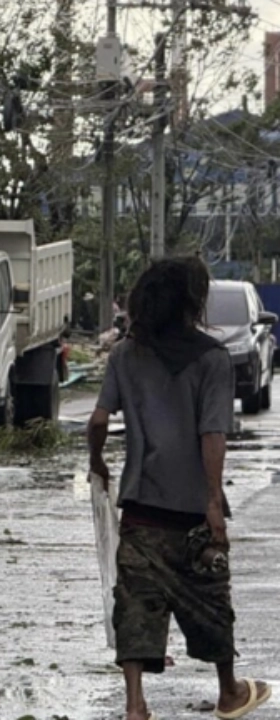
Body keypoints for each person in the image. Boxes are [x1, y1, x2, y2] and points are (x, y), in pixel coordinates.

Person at [87, 258, 271, 720]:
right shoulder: (212, 358)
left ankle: (135, 704)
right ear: (192, 300)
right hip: (190, 510)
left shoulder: (126, 355)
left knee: (134, 604)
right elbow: (213, 433)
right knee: (211, 598)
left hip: (140, 508)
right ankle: (228, 692)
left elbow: (97, 420)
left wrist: (96, 463)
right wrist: (212, 503)